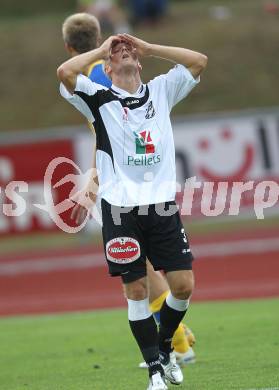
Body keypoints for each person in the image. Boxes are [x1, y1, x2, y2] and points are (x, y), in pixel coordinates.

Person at [57, 33, 207, 389]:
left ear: (139, 61)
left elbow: (198, 59)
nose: (123, 52)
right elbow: (64, 71)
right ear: (107, 69)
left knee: (183, 286)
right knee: (137, 289)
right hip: (120, 208)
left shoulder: (161, 90)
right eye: (116, 53)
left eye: (129, 50)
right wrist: (102, 47)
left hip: (161, 205)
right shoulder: (98, 97)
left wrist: (152, 48)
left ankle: (166, 345)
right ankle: (155, 370)